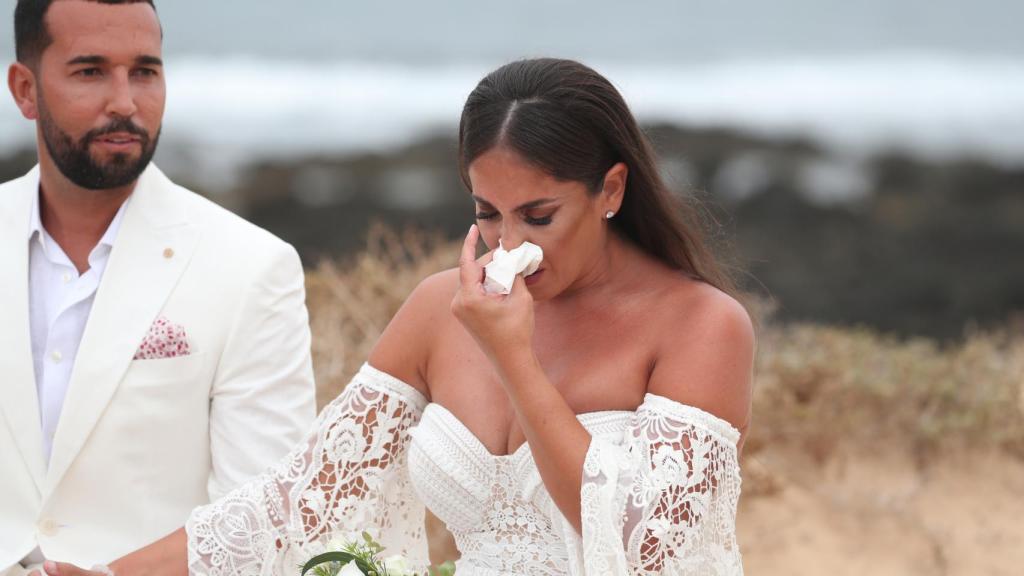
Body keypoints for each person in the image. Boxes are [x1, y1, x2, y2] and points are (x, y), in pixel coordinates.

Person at [37, 58, 754, 576]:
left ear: (612, 189)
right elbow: (302, 500)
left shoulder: (701, 325)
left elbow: (635, 546)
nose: (510, 244)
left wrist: (513, 358)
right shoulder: (441, 310)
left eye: (539, 216)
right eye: (487, 214)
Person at [0, 1, 317, 573]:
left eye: (144, 71)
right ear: (25, 89)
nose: (125, 102)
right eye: (90, 71)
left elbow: (265, 515)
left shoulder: (251, 267)